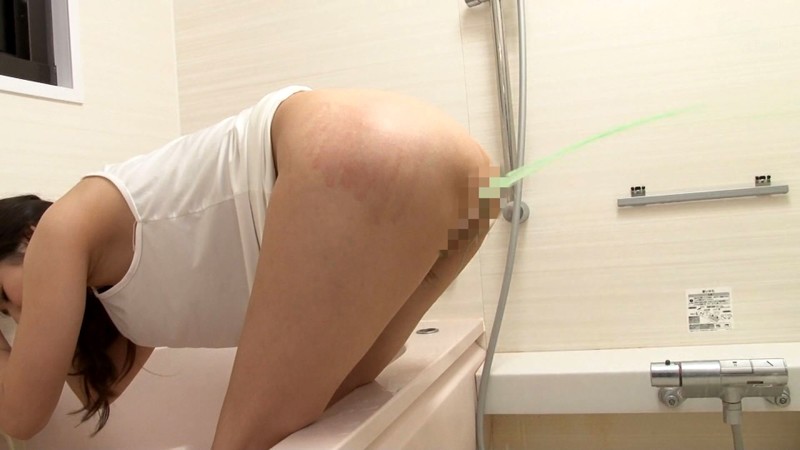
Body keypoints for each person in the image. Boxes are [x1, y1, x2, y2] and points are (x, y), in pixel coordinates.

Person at [0, 86, 499, 448]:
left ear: (26, 237)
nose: (16, 317)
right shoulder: (118, 280)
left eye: (2, 298)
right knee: (339, 418)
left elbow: (20, 416)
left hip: (358, 150)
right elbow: (92, 387)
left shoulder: (61, 230)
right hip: (468, 183)